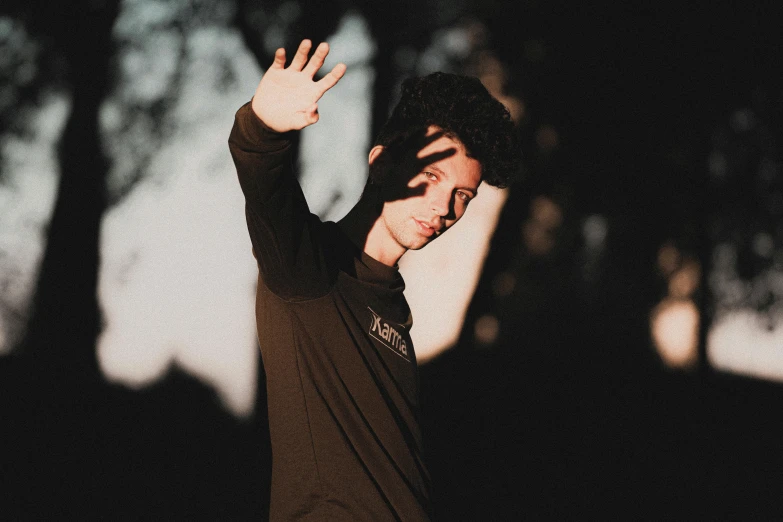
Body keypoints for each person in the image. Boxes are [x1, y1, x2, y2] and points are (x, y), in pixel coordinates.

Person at [229, 39, 519, 521]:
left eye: (463, 195)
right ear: (382, 163)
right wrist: (261, 128)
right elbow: (267, 188)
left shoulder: (390, 305)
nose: (445, 208)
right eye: (430, 177)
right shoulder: (311, 270)